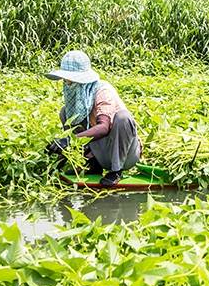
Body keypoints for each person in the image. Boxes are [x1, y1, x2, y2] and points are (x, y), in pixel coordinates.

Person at [44, 50, 141, 187]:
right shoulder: (77, 99)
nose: (67, 83)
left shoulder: (102, 91)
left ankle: (116, 171)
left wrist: (70, 141)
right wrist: (58, 156)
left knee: (122, 118)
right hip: (100, 153)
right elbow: (75, 131)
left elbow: (103, 127)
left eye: (69, 81)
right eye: (65, 80)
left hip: (125, 154)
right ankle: (93, 164)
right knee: (65, 113)